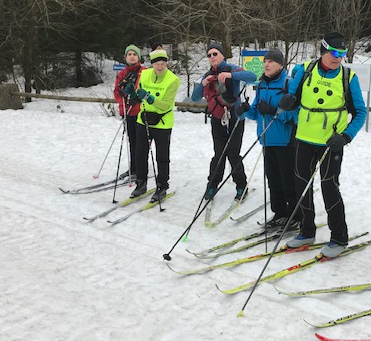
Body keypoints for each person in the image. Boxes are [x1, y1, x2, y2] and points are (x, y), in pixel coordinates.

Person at [278, 32, 367, 258]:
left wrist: (346, 137)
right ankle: (307, 231)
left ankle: (339, 237)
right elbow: (291, 96)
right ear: (323, 51)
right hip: (304, 139)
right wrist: (287, 102)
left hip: (331, 143)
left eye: (342, 53)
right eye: (335, 53)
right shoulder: (305, 70)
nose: (338, 58)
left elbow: (360, 113)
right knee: (302, 186)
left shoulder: (348, 77)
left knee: (329, 187)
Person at [236, 49, 299, 231]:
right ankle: (279, 214)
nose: (267, 64)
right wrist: (245, 109)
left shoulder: (289, 84)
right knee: (273, 180)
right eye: (265, 61)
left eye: (271, 61)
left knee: (288, 180)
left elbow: (295, 114)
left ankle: (295, 215)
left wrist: (273, 111)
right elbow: (256, 112)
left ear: (281, 65)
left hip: (286, 141)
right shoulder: (262, 84)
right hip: (266, 139)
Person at [191, 42, 257, 201]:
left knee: (233, 154)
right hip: (217, 118)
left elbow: (252, 77)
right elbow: (195, 97)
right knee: (219, 154)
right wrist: (204, 83)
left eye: (215, 54)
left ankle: (241, 185)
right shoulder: (207, 74)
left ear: (222, 55)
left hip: (235, 117)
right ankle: (212, 185)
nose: (212, 57)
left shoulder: (232, 68)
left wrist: (230, 76)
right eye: (209, 55)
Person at [127, 46, 180, 201]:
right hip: (143, 120)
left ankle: (162, 186)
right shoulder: (144, 74)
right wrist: (132, 93)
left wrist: (149, 98)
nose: (160, 66)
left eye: (163, 63)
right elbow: (138, 97)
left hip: (162, 123)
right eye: (157, 63)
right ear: (152, 64)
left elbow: (166, 105)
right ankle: (141, 183)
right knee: (140, 153)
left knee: (162, 157)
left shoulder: (173, 80)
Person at [113, 45, 146, 179]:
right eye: (129, 54)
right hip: (128, 112)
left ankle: (141, 169)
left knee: (141, 143)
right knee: (132, 141)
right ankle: (133, 168)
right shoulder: (122, 73)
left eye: (134, 54)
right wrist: (123, 104)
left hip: (141, 112)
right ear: (126, 57)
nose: (132, 56)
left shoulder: (145, 72)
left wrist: (137, 99)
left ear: (138, 57)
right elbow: (116, 92)